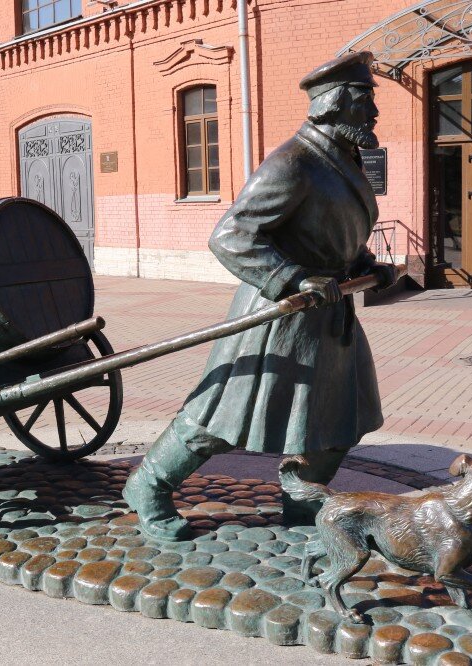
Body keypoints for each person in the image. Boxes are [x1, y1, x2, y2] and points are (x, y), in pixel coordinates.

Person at [123, 51, 397, 541]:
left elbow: (331, 233)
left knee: (336, 420)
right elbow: (232, 235)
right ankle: (147, 486)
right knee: (219, 418)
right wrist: (292, 279)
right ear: (333, 106)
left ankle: (301, 504)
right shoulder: (294, 163)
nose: (373, 113)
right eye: (364, 102)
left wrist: (363, 265)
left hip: (329, 314)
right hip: (278, 314)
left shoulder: (341, 161)